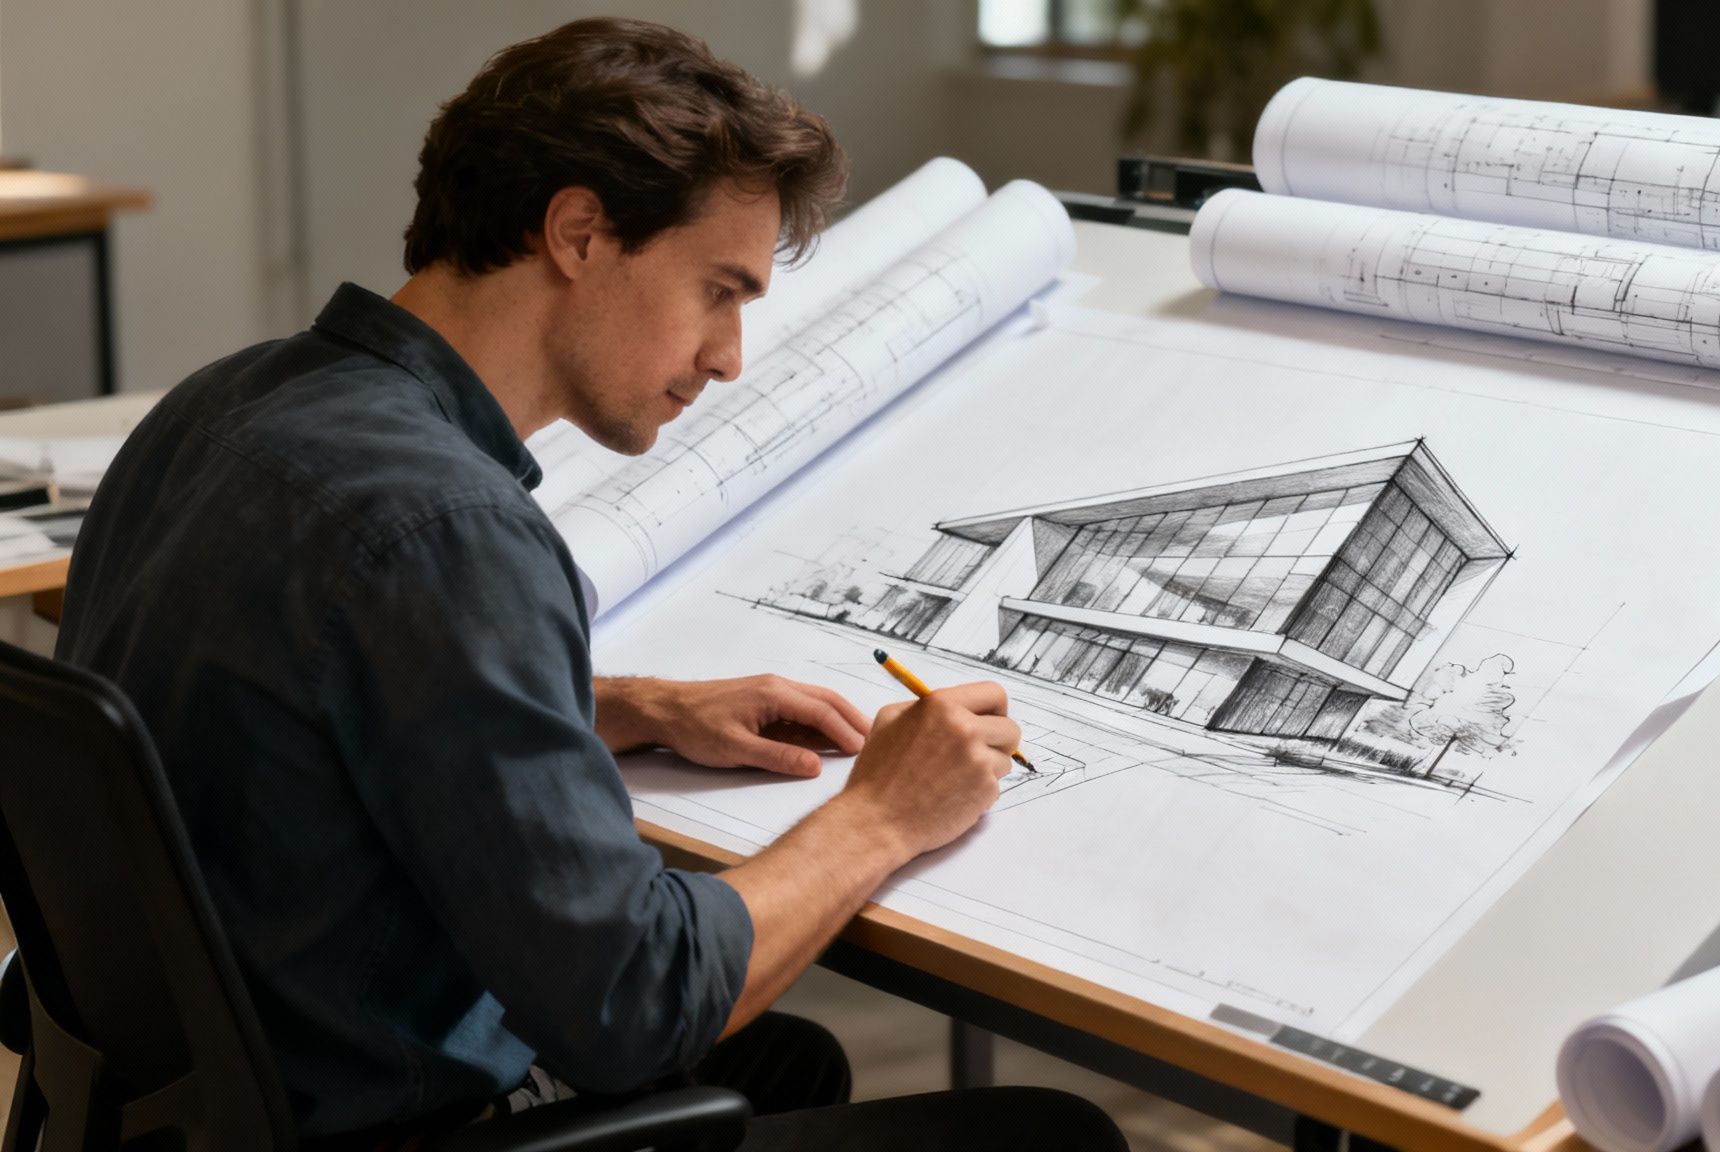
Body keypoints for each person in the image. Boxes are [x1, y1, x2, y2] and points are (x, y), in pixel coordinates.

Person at [55, 17, 1125, 1151]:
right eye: (719, 290)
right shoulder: (451, 530)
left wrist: (628, 707)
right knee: (1051, 1134)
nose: (728, 355)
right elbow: (634, 1006)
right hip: (381, 1111)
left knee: (785, 1061)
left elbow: (292, 697)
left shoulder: (217, 404)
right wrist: (879, 816)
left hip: (202, 1097)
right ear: (577, 231)